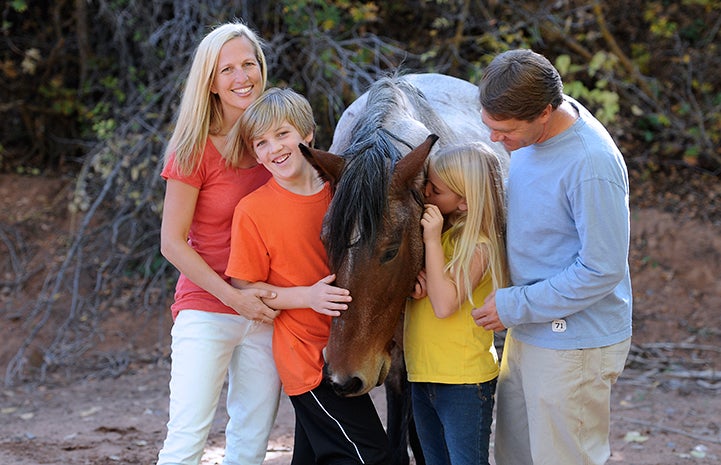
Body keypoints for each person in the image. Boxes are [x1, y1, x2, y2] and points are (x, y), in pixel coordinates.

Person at [471, 49, 633, 465]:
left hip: (573, 344)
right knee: (514, 457)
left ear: (545, 112)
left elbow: (602, 269)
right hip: (531, 329)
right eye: (490, 127)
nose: (495, 140)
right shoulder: (531, 132)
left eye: (504, 131)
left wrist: (513, 304)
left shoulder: (591, 163)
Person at [225, 87, 391, 465]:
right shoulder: (253, 210)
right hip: (307, 356)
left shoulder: (343, 189)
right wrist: (306, 297)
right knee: (372, 456)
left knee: (316, 455)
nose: (274, 148)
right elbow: (245, 287)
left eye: (282, 134)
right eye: (261, 142)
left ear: (307, 134)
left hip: (349, 344)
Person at [158, 22, 282, 465]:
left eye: (249, 64)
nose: (241, 76)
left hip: (267, 311)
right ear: (210, 82)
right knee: (187, 440)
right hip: (206, 309)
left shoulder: (276, 142)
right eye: (226, 69)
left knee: (250, 444)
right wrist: (234, 298)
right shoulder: (192, 148)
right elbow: (171, 244)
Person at [403, 142, 509, 465]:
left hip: (463, 382)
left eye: (435, 190)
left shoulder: (480, 245)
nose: (426, 195)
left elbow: (445, 304)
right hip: (422, 374)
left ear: (464, 202)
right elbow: (432, 290)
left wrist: (432, 240)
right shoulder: (441, 235)